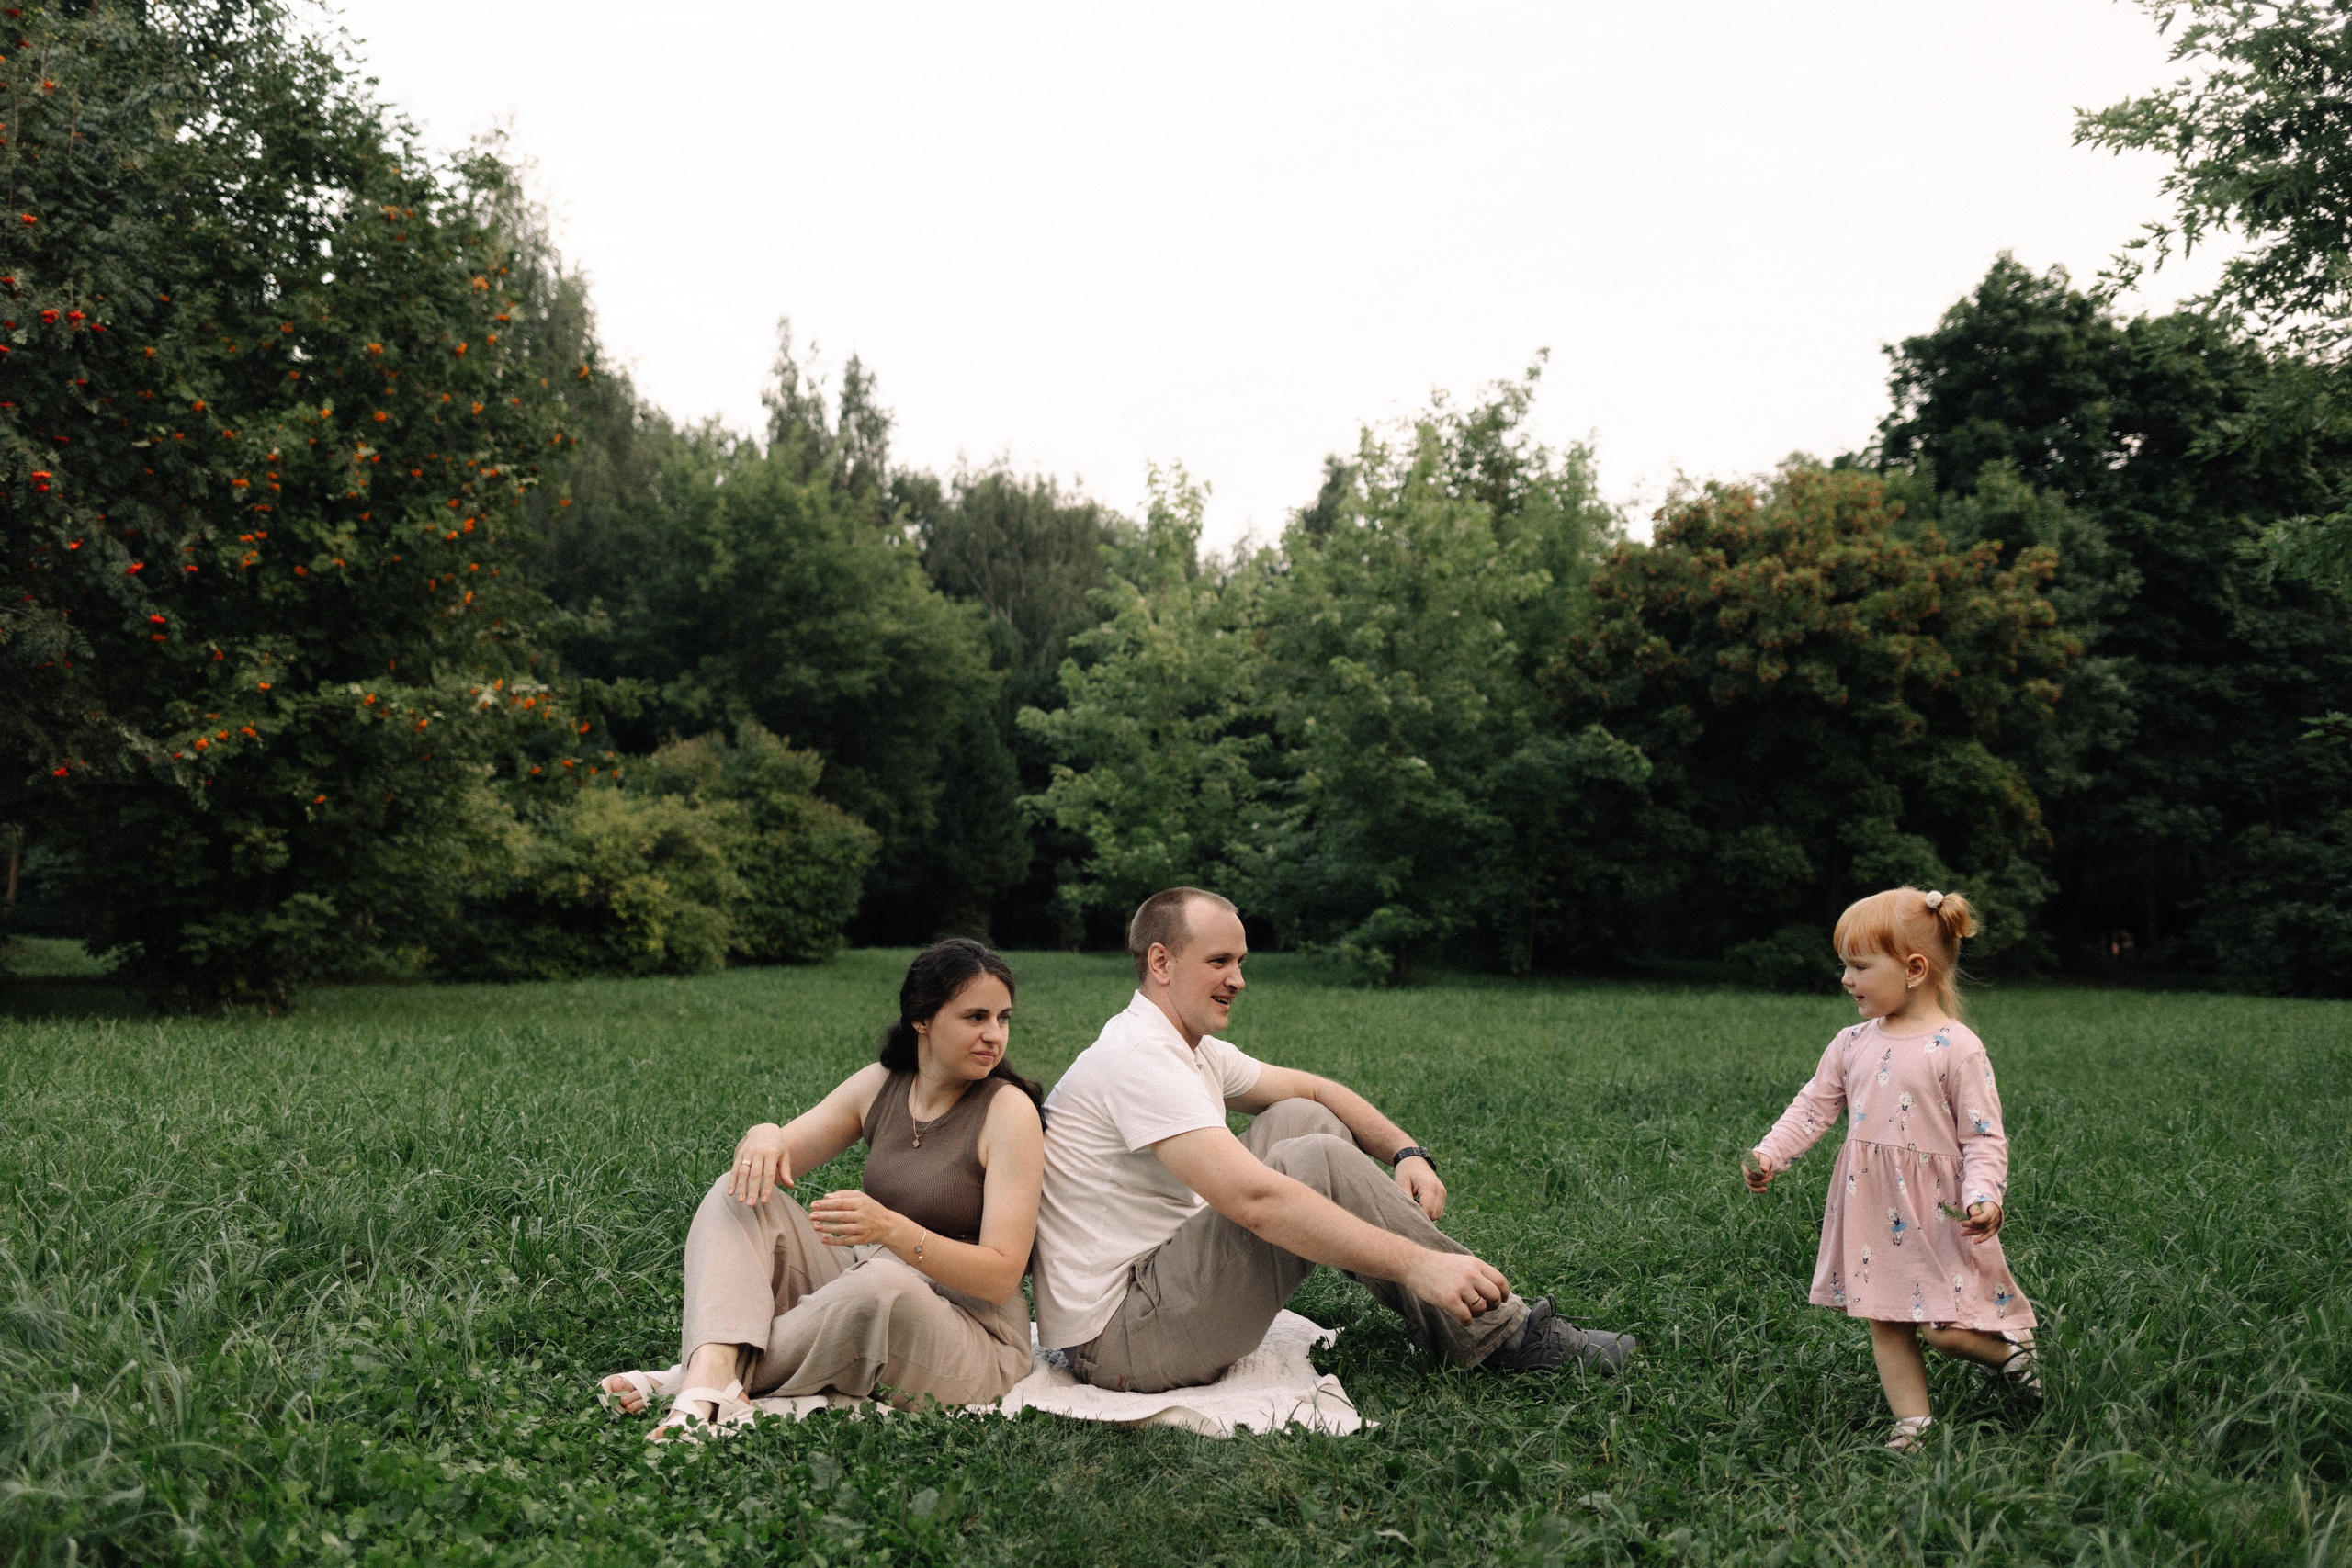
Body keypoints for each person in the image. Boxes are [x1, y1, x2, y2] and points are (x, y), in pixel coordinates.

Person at [1032, 886, 1636, 1394]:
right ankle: (1499, 1333)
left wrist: (1406, 1152)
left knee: (1302, 1117)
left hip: (1159, 1283)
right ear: (1161, 962)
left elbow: (1317, 1090)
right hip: (1122, 1339)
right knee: (1311, 1157)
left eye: (1241, 962)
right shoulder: (1139, 1057)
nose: (1238, 979)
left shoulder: (1184, 1046)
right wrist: (1419, 1264)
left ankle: (1445, 1317)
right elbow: (1253, 1202)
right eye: (1219, 961)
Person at [600, 939, 1046, 1439]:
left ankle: (691, 1379)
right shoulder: (883, 1084)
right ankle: (711, 1378)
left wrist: (891, 1230)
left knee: (880, 1286)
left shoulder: (1008, 1112)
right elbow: (773, 1159)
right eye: (976, 1017)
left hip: (972, 1335)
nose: (994, 1035)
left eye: (1003, 1018)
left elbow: (1001, 1277)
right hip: (866, 1279)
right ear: (922, 1019)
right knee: (736, 1194)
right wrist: (764, 1134)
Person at [1742, 887, 2041, 1453]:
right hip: (1874, 1206)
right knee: (1886, 1317)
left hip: (1938, 1212)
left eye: (1859, 967)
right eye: (1845, 966)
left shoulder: (1957, 1048)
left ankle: (2012, 1355)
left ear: (1914, 970)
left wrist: (1984, 1196)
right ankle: (1914, 1424)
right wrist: (1771, 1154)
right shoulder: (1851, 1043)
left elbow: (1982, 1136)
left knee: (1944, 1331)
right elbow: (1813, 1108)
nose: (1846, 980)